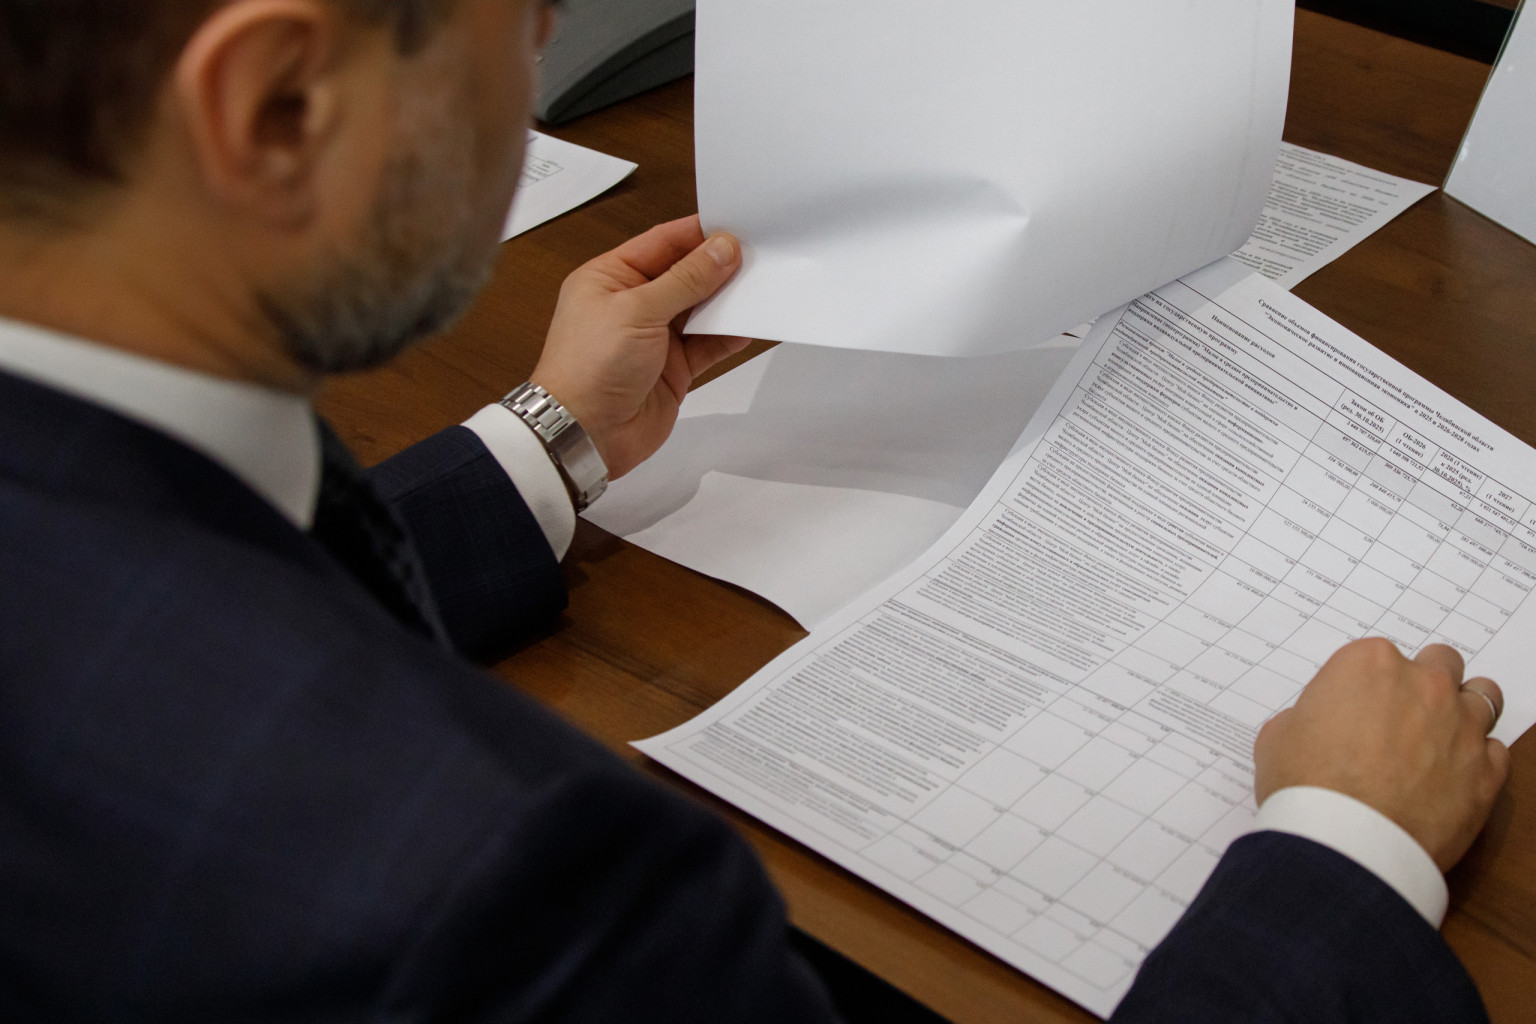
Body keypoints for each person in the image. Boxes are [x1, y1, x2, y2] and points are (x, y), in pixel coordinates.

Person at [0, 1, 1510, 1020]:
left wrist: (548, 441)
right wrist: (1346, 851)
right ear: (276, 106)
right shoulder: (510, 890)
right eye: (520, 16)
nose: (540, 53)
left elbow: (174, 612)